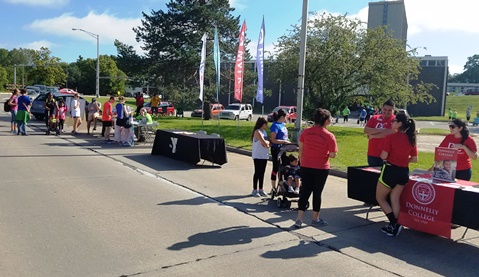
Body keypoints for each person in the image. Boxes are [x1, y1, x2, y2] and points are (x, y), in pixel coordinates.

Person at [376, 112, 418, 237]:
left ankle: (394, 223)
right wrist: (403, 159)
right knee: (395, 198)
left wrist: (390, 157)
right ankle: (394, 225)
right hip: (403, 171)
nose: (392, 122)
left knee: (380, 198)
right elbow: (415, 159)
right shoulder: (411, 139)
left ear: (399, 123)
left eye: (394, 121)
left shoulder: (391, 137)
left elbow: (383, 156)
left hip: (390, 170)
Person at [294, 108, 337, 228]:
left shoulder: (305, 132)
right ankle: (315, 218)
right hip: (321, 167)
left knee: (305, 192)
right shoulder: (329, 136)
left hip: (306, 165)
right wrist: (325, 153)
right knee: (317, 193)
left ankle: (299, 219)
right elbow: (333, 155)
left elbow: (301, 149)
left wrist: (301, 162)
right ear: (326, 121)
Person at [364, 100, 396, 167]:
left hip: (387, 155)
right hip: (372, 153)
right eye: (385, 109)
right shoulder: (375, 118)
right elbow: (366, 130)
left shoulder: (395, 120)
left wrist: (372, 136)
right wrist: (383, 129)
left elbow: (389, 133)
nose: (386, 112)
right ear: (382, 108)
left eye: (389, 110)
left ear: (393, 110)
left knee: (386, 176)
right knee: (372, 175)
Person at [269, 109, 290, 194]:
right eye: (286, 116)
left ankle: (284, 184)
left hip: (284, 148)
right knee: (276, 167)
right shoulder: (275, 126)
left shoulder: (283, 125)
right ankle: (273, 187)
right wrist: (283, 142)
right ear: (282, 117)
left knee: (285, 166)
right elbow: (273, 140)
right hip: (276, 149)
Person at [251, 117, 270, 197]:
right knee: (257, 172)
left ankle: (261, 189)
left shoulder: (264, 132)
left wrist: (267, 143)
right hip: (258, 155)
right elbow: (264, 143)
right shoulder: (257, 132)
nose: (266, 126)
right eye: (266, 124)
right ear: (262, 124)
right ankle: (254, 190)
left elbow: (268, 143)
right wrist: (266, 143)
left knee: (262, 173)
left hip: (264, 155)